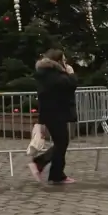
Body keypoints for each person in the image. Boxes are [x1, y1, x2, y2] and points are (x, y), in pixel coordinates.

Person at [28, 49, 78, 184]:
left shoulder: (46, 74)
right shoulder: (54, 75)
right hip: (56, 114)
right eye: (64, 59)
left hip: (52, 113)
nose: (66, 62)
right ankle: (41, 164)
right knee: (62, 142)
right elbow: (70, 85)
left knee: (61, 142)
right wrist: (71, 74)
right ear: (58, 61)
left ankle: (56, 174)